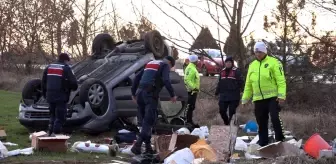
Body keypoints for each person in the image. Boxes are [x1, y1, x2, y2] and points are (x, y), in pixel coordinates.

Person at [241, 41, 287, 147]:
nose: (258, 54)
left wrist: (281, 95)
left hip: (272, 97)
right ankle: (263, 142)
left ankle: (280, 139)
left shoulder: (274, 62)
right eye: (256, 52)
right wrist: (245, 99)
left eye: (260, 52)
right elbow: (248, 84)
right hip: (258, 98)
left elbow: (281, 80)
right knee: (261, 121)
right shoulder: (252, 65)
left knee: (275, 118)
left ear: (264, 52)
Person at [130, 55, 178, 155]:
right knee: (149, 121)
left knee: (145, 123)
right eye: (170, 67)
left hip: (140, 93)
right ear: (170, 63)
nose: (169, 69)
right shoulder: (165, 65)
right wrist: (173, 95)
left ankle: (148, 148)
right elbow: (166, 80)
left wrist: (133, 93)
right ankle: (137, 145)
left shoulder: (151, 63)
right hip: (150, 95)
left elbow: (136, 78)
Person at [41, 53, 78, 136]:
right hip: (61, 95)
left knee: (52, 114)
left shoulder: (49, 67)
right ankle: (56, 133)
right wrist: (72, 88)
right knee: (60, 115)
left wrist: (45, 94)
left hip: (49, 95)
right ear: (66, 60)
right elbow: (73, 83)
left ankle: (49, 131)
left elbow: (43, 82)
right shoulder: (66, 68)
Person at [215, 56, 243, 125]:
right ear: (225, 63)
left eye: (229, 62)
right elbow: (220, 83)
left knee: (232, 112)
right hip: (223, 95)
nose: (228, 64)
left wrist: (240, 90)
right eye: (227, 62)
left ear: (232, 63)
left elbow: (241, 82)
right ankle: (226, 123)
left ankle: (231, 125)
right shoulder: (222, 71)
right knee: (222, 110)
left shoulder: (236, 71)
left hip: (234, 95)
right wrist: (217, 91)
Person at [184, 54, 200, 125]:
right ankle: (188, 121)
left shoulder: (191, 67)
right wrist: (194, 88)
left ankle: (189, 121)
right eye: (197, 60)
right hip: (191, 91)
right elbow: (187, 79)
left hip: (193, 91)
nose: (198, 61)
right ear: (195, 61)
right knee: (190, 107)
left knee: (191, 107)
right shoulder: (192, 68)